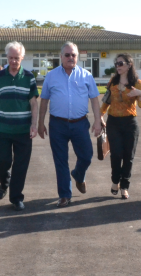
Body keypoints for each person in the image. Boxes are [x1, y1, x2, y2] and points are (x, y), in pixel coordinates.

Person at [38, 42, 103, 208]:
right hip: (57, 125)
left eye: (73, 55)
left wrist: (97, 120)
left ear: (77, 56)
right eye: (67, 55)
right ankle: (65, 195)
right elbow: (44, 100)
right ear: (61, 57)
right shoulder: (51, 76)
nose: (70, 58)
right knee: (60, 161)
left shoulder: (86, 75)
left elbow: (94, 99)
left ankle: (79, 175)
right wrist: (40, 122)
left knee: (87, 155)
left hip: (80, 123)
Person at [0, 42, 39, 210]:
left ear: (22, 58)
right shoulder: (0, 76)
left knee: (21, 165)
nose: (13, 61)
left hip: (23, 129)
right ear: (7, 57)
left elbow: (33, 103)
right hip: (1, 128)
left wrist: (34, 125)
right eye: (10, 58)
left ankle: (16, 197)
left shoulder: (29, 77)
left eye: (17, 58)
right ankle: (4, 180)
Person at [101, 53, 141, 200]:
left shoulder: (137, 83)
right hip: (113, 122)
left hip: (130, 123)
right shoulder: (112, 82)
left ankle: (124, 186)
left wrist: (139, 93)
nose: (118, 66)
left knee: (129, 156)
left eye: (121, 63)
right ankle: (115, 181)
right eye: (116, 63)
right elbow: (106, 102)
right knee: (116, 154)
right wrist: (100, 116)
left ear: (129, 65)